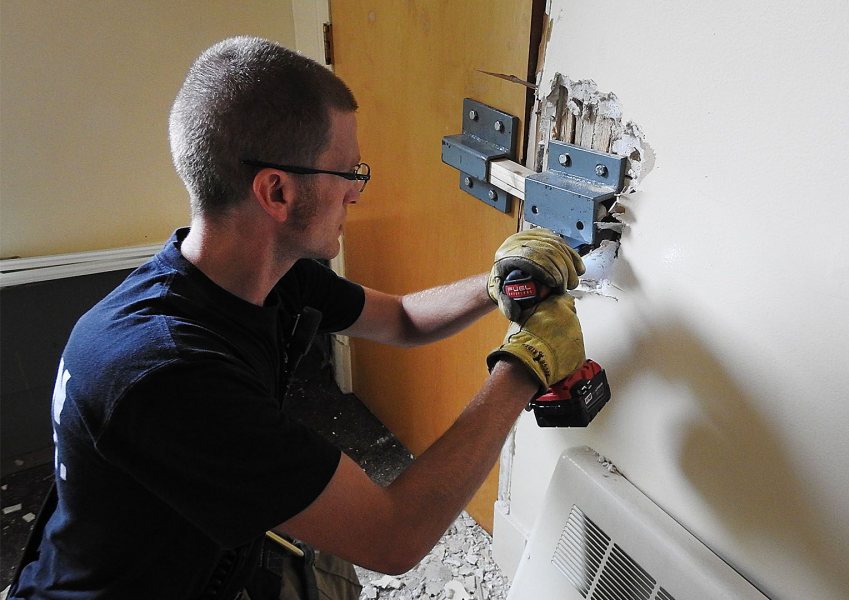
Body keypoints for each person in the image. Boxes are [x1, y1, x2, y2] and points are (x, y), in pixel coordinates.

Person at [9, 36, 585, 599]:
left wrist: (497, 279)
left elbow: (405, 319)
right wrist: (524, 365)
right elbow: (395, 536)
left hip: (206, 547)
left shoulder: (267, 275)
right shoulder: (168, 371)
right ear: (277, 192)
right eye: (349, 174)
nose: (356, 195)